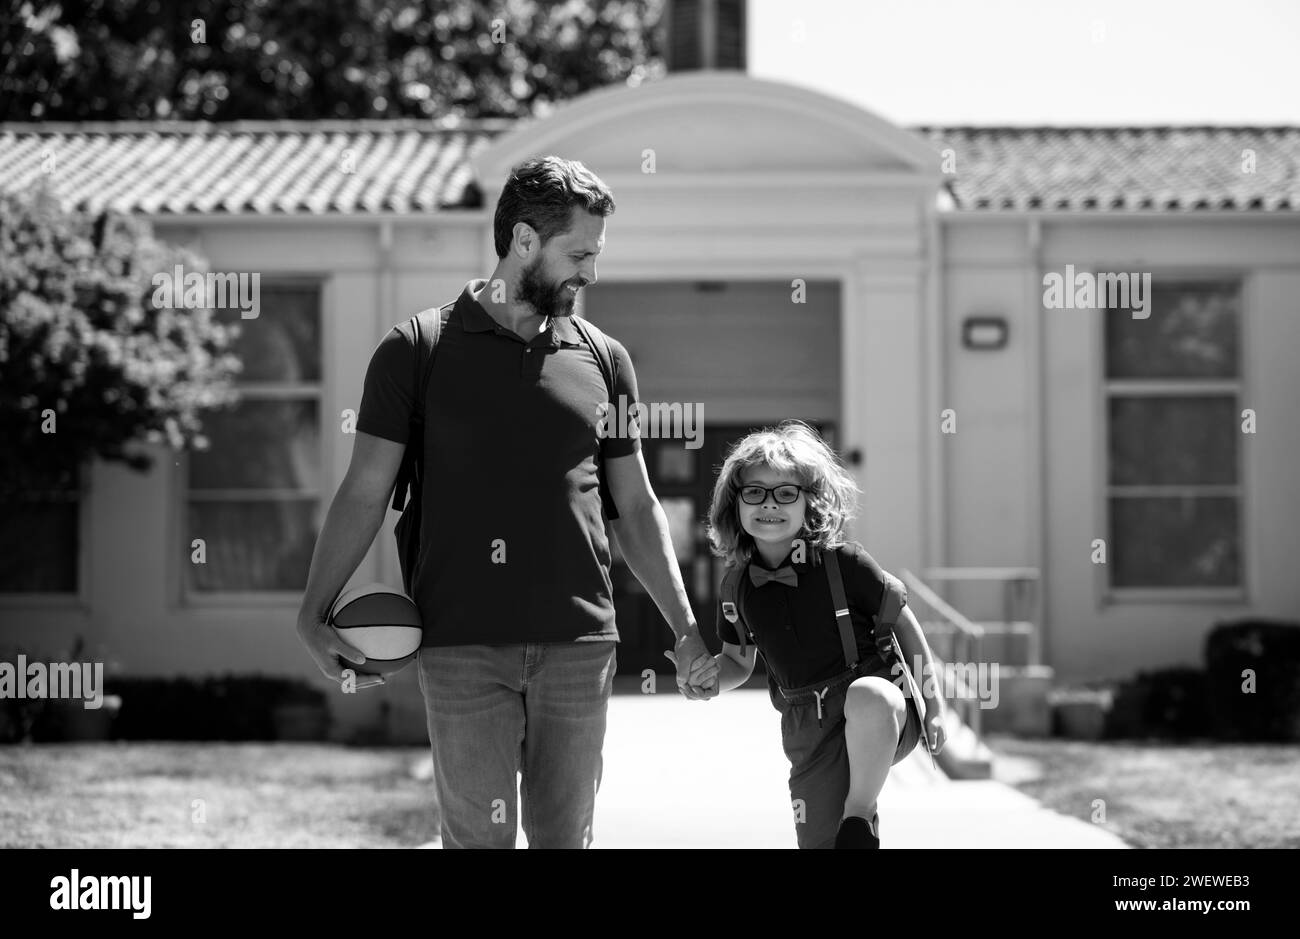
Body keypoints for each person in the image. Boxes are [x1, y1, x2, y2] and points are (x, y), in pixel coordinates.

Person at [294, 156, 719, 848]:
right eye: (579, 253)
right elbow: (365, 491)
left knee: (563, 840)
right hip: (460, 646)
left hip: (580, 647)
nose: (591, 273)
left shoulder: (604, 359)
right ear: (524, 239)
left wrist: (685, 626)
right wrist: (313, 612)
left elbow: (636, 507)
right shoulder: (417, 350)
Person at [686, 420, 948, 848]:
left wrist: (934, 705)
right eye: (755, 492)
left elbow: (903, 620)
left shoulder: (843, 561)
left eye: (786, 493)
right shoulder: (736, 586)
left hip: (879, 708)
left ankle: (859, 816)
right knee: (818, 841)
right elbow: (737, 661)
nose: (769, 504)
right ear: (734, 504)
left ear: (810, 503)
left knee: (871, 696)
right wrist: (710, 679)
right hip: (806, 723)